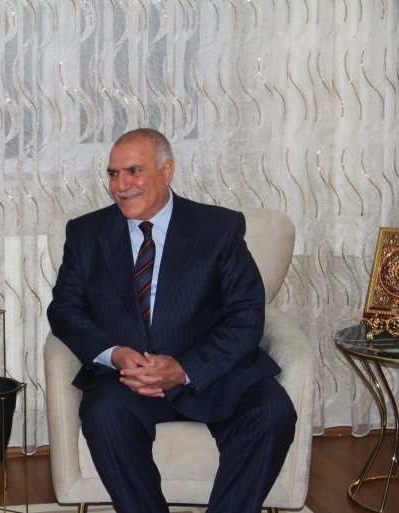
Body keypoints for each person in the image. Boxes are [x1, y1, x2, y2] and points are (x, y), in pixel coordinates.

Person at [47, 128, 296, 513]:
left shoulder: (219, 228)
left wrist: (184, 369)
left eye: (133, 171)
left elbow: (246, 314)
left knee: (272, 410)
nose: (121, 185)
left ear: (167, 171)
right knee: (103, 413)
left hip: (211, 373)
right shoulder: (86, 234)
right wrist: (115, 354)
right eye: (113, 173)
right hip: (128, 378)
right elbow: (64, 310)